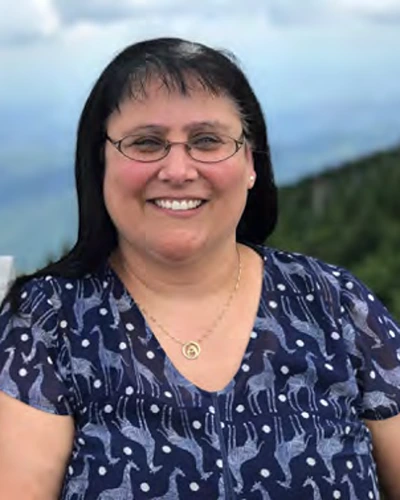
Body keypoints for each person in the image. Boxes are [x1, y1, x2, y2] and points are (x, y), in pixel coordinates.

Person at [0, 37, 399, 500]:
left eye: (207, 141)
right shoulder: (48, 323)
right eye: (146, 143)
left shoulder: (335, 304)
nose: (178, 170)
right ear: (99, 163)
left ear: (250, 162)